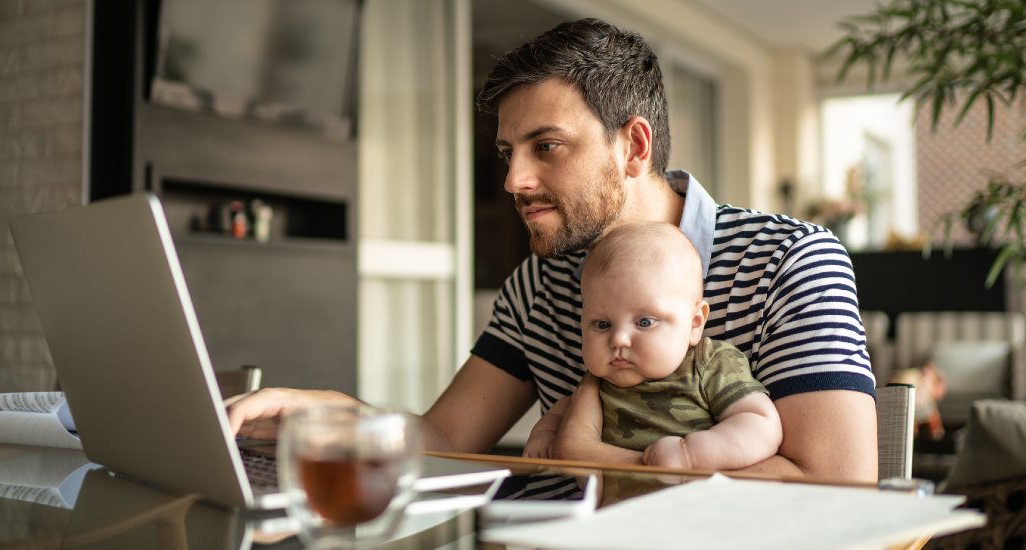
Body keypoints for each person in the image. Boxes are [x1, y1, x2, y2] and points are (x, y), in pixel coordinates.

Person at [226, 17, 878, 481]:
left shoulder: (788, 259)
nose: (514, 180)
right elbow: (447, 439)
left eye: (548, 147)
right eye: (509, 153)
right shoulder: (536, 288)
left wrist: (618, 466)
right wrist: (335, 414)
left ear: (635, 147)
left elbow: (841, 485)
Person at [522, 223, 782, 471]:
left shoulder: (708, 364)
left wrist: (690, 453)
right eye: (602, 325)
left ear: (694, 323)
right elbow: (563, 409)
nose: (619, 340)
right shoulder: (600, 383)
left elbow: (760, 423)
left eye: (644, 322)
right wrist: (545, 434)